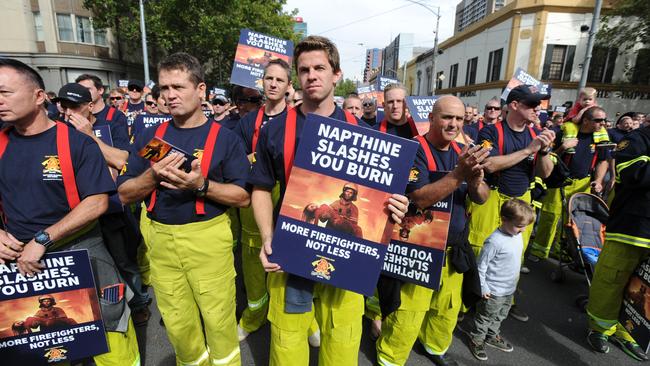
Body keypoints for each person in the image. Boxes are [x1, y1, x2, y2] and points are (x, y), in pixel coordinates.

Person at [248, 35, 408, 366]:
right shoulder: (274, 130)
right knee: (287, 341)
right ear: (297, 77)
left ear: (336, 74)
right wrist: (266, 236)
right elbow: (261, 188)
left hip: (347, 258)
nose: (312, 76)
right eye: (304, 70)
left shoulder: (368, 136)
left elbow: (381, 199)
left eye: (320, 67)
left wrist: (396, 207)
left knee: (343, 341)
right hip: (290, 252)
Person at [0, 58, 140, 365]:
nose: (0, 101)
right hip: (21, 264)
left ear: (39, 97)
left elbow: (97, 202)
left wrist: (43, 239)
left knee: (110, 343)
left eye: (5, 92)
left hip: (80, 253)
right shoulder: (1, 143)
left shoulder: (77, 143)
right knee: (36, 350)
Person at [117, 52, 250, 366]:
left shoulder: (226, 139)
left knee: (219, 323)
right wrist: (152, 174)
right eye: (164, 88)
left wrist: (201, 186)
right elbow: (123, 193)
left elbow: (242, 196)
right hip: (160, 242)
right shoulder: (151, 136)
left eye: (178, 86)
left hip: (208, 241)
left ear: (201, 89)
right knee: (179, 326)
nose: (169, 95)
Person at [376, 95, 490, 366]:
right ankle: (389, 359)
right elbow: (419, 198)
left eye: (459, 119)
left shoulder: (464, 151)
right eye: (447, 117)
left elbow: (482, 197)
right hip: (420, 248)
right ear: (431, 118)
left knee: (446, 309)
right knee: (409, 311)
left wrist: (474, 181)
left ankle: (434, 347)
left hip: (454, 250)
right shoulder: (415, 149)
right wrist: (459, 175)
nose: (453, 124)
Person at [58, 82, 152, 326]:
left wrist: (89, 137)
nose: (69, 113)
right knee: (91, 268)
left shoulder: (109, 124)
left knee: (123, 259)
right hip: (75, 213)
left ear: (90, 106)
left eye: (75, 107)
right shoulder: (56, 131)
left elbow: (124, 160)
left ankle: (139, 301)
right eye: (64, 106)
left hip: (110, 207)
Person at [468, 84, 555, 322]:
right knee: (480, 250)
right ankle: (470, 302)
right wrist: (530, 149)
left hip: (521, 201)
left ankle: (504, 300)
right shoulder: (491, 132)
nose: (537, 109)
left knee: (514, 256)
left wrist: (544, 151)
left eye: (539, 105)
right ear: (514, 106)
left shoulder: (535, 135)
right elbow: (489, 164)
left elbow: (545, 173)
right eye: (532, 104)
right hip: (492, 199)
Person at [235, 58, 293, 342]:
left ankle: (302, 321)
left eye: (279, 80)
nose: (273, 84)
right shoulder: (247, 122)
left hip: (288, 198)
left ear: (288, 86)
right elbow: (235, 160)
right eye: (269, 78)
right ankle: (254, 314)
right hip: (254, 197)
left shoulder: (299, 122)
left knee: (291, 256)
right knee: (253, 258)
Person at [586, 123, 650, 362]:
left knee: (642, 290)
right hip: (630, 228)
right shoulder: (636, 139)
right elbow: (632, 172)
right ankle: (599, 329)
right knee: (611, 280)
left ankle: (629, 333)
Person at [529, 106, 611, 260]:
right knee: (550, 217)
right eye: (598, 120)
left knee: (574, 221)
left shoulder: (600, 138)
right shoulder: (564, 133)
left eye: (604, 120)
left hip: (583, 183)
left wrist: (598, 181)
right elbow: (547, 156)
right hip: (559, 182)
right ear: (586, 121)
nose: (603, 123)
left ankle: (563, 253)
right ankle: (539, 252)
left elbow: (603, 161)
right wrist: (563, 147)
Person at [467, 198, 535, 361]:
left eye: (525, 226)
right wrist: (483, 287)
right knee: (485, 317)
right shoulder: (495, 241)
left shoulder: (516, 235)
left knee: (501, 315)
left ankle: (492, 335)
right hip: (493, 291)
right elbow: (481, 266)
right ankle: (476, 339)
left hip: (508, 289)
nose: (523, 230)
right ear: (504, 219)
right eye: (519, 226)